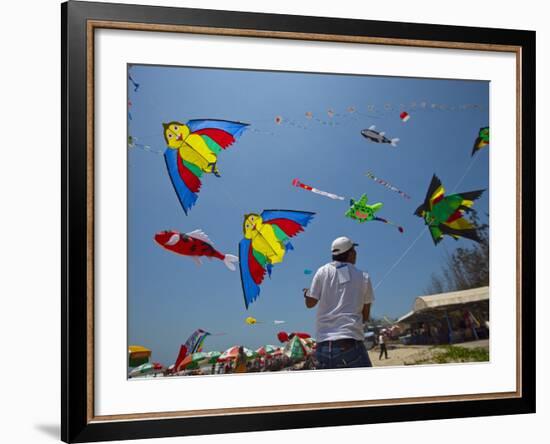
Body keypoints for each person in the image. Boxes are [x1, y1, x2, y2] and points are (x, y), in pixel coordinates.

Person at [303, 236, 374, 369]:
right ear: (351, 253)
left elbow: (310, 303)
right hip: (350, 344)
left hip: (323, 347)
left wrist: (307, 293)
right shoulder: (364, 277)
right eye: (354, 250)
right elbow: (365, 316)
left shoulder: (322, 271)